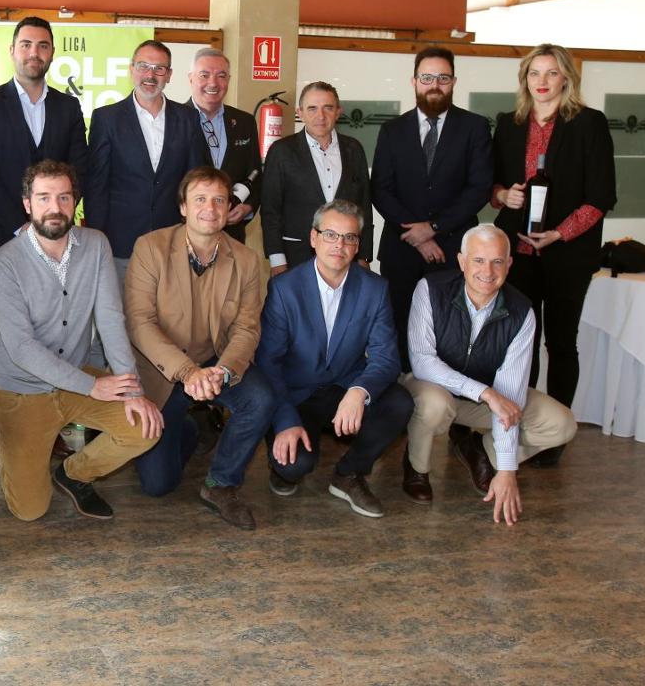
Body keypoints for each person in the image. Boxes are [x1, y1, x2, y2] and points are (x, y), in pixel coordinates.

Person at [0, 160, 162, 521]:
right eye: (44, 198)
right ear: (27, 204)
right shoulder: (5, 261)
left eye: (64, 197)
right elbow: (20, 348)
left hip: (74, 376)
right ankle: (11, 445)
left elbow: (112, 319)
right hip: (23, 390)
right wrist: (91, 385)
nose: (55, 208)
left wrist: (132, 390)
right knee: (30, 511)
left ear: (75, 202)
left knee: (144, 427)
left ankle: (72, 473)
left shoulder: (96, 244)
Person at [124, 167, 274, 529]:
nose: (210, 208)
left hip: (215, 361)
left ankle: (221, 483)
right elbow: (140, 324)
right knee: (158, 484)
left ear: (228, 209)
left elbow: (247, 327)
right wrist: (187, 372)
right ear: (183, 208)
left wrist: (222, 371)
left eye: (219, 200)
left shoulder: (249, 261)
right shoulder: (150, 247)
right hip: (164, 367)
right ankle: (191, 427)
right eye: (200, 200)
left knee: (260, 400)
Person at [490, 44, 616, 464]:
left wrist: (560, 234)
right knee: (519, 345)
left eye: (551, 73)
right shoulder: (509, 124)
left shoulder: (589, 124)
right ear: (524, 80)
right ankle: (520, 426)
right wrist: (502, 195)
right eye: (534, 74)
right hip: (518, 253)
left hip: (568, 253)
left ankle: (555, 437)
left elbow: (601, 197)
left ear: (567, 79)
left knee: (561, 343)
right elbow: (492, 186)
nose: (542, 82)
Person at [401, 224, 577, 523]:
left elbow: (509, 394)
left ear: (509, 264)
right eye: (479, 260)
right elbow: (422, 362)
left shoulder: (523, 313)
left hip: (483, 401)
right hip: (431, 388)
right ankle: (417, 467)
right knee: (435, 404)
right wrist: (485, 393)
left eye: (497, 261)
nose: (488, 270)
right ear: (462, 262)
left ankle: (481, 452)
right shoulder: (430, 289)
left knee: (561, 424)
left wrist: (507, 470)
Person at [0, 15, 88, 433]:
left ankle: (49, 424)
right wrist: (25, 227)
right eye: (26, 45)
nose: (34, 53)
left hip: (56, 242)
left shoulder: (68, 106)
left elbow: (77, 171)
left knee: (51, 333)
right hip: (2, 236)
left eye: (42, 46)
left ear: (52, 53)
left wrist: (46, 224)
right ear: (13, 50)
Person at [256, 200, 414, 518]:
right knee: (293, 467)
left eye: (349, 237)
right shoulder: (284, 289)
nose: (339, 245)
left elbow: (386, 358)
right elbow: (268, 362)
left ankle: (348, 474)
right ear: (313, 238)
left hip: (345, 388)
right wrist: (285, 421)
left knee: (400, 403)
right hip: (297, 395)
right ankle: (283, 459)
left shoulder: (375, 289)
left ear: (358, 245)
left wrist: (359, 391)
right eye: (330, 235)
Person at [371, 47, 493, 368]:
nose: (434, 84)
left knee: (451, 333)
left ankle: (450, 410)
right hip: (401, 251)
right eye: (427, 77)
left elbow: (478, 188)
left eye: (442, 77)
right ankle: (402, 409)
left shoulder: (475, 128)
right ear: (414, 81)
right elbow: (381, 190)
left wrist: (435, 228)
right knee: (398, 329)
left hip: (453, 251)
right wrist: (419, 235)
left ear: (454, 82)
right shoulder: (391, 130)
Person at [84, 39, 210, 280]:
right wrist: (96, 240)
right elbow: (96, 185)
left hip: (174, 241)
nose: (150, 75)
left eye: (159, 68)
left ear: (169, 75)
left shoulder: (189, 119)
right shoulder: (107, 119)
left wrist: (196, 234)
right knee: (121, 314)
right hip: (120, 244)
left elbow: (196, 182)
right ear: (131, 70)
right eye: (143, 66)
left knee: (170, 315)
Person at [262, 82, 373, 273]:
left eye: (328, 108)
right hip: (295, 257)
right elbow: (270, 210)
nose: (320, 116)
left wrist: (363, 256)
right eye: (312, 108)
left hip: (345, 257)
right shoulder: (281, 151)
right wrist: (277, 261)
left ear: (338, 112)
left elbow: (364, 206)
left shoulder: (354, 149)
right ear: (300, 112)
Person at [185, 48, 262, 243]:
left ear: (228, 80)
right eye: (204, 75)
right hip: (185, 234)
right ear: (191, 78)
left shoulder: (245, 122)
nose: (213, 83)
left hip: (232, 236)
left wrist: (248, 207)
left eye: (221, 76)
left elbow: (255, 173)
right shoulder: (174, 120)